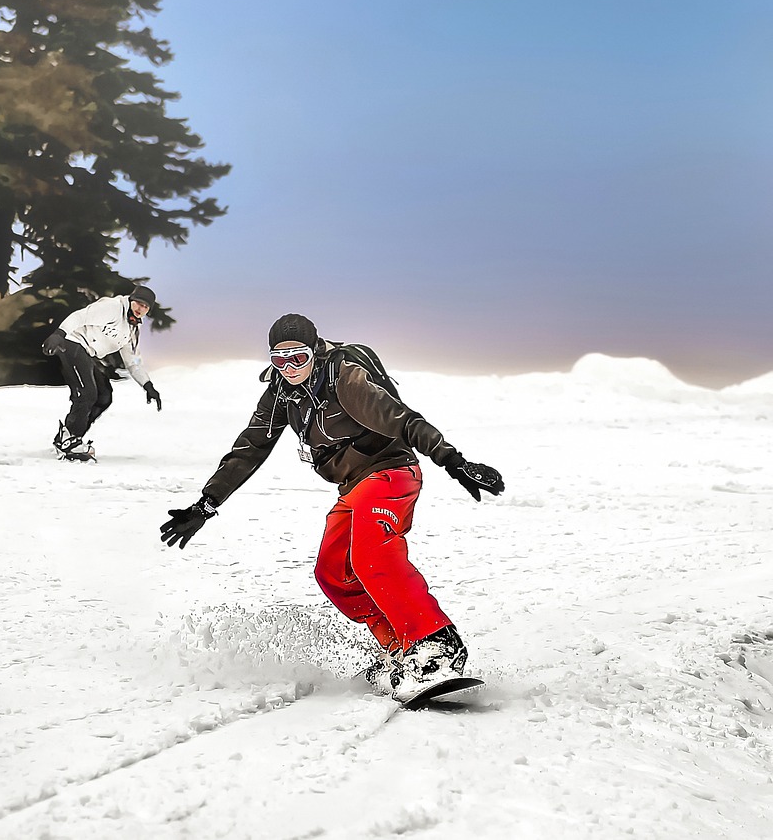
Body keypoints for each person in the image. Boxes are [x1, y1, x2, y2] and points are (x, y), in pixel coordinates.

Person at [159, 313, 504, 702]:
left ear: (316, 350)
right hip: (352, 486)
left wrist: (453, 461)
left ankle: (435, 643)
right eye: (280, 359)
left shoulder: (344, 376)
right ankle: (398, 646)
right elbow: (250, 447)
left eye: (298, 357)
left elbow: (401, 419)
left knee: (372, 555)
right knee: (333, 571)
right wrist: (206, 504)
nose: (290, 368)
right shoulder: (281, 394)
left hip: (390, 471)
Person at [41, 285, 163, 458]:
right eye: (138, 303)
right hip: (72, 342)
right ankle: (68, 439)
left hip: (88, 353)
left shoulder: (132, 329)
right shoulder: (113, 307)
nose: (140, 309)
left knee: (104, 396)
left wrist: (148, 385)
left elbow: (133, 361)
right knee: (88, 393)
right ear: (130, 300)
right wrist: (59, 334)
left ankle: (72, 436)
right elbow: (80, 316)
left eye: (145, 307)